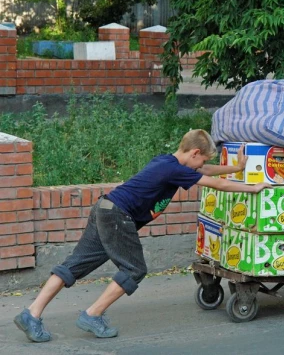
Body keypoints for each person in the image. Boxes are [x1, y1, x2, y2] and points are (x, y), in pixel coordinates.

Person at [14, 130, 270, 342]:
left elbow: (207, 172)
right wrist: (253, 187)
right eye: (201, 160)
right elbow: (218, 183)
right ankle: (93, 314)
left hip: (104, 208)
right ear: (194, 153)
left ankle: (31, 313)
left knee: (75, 264)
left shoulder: (167, 162)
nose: (202, 166)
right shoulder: (175, 170)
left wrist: (235, 167)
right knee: (134, 268)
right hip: (117, 216)